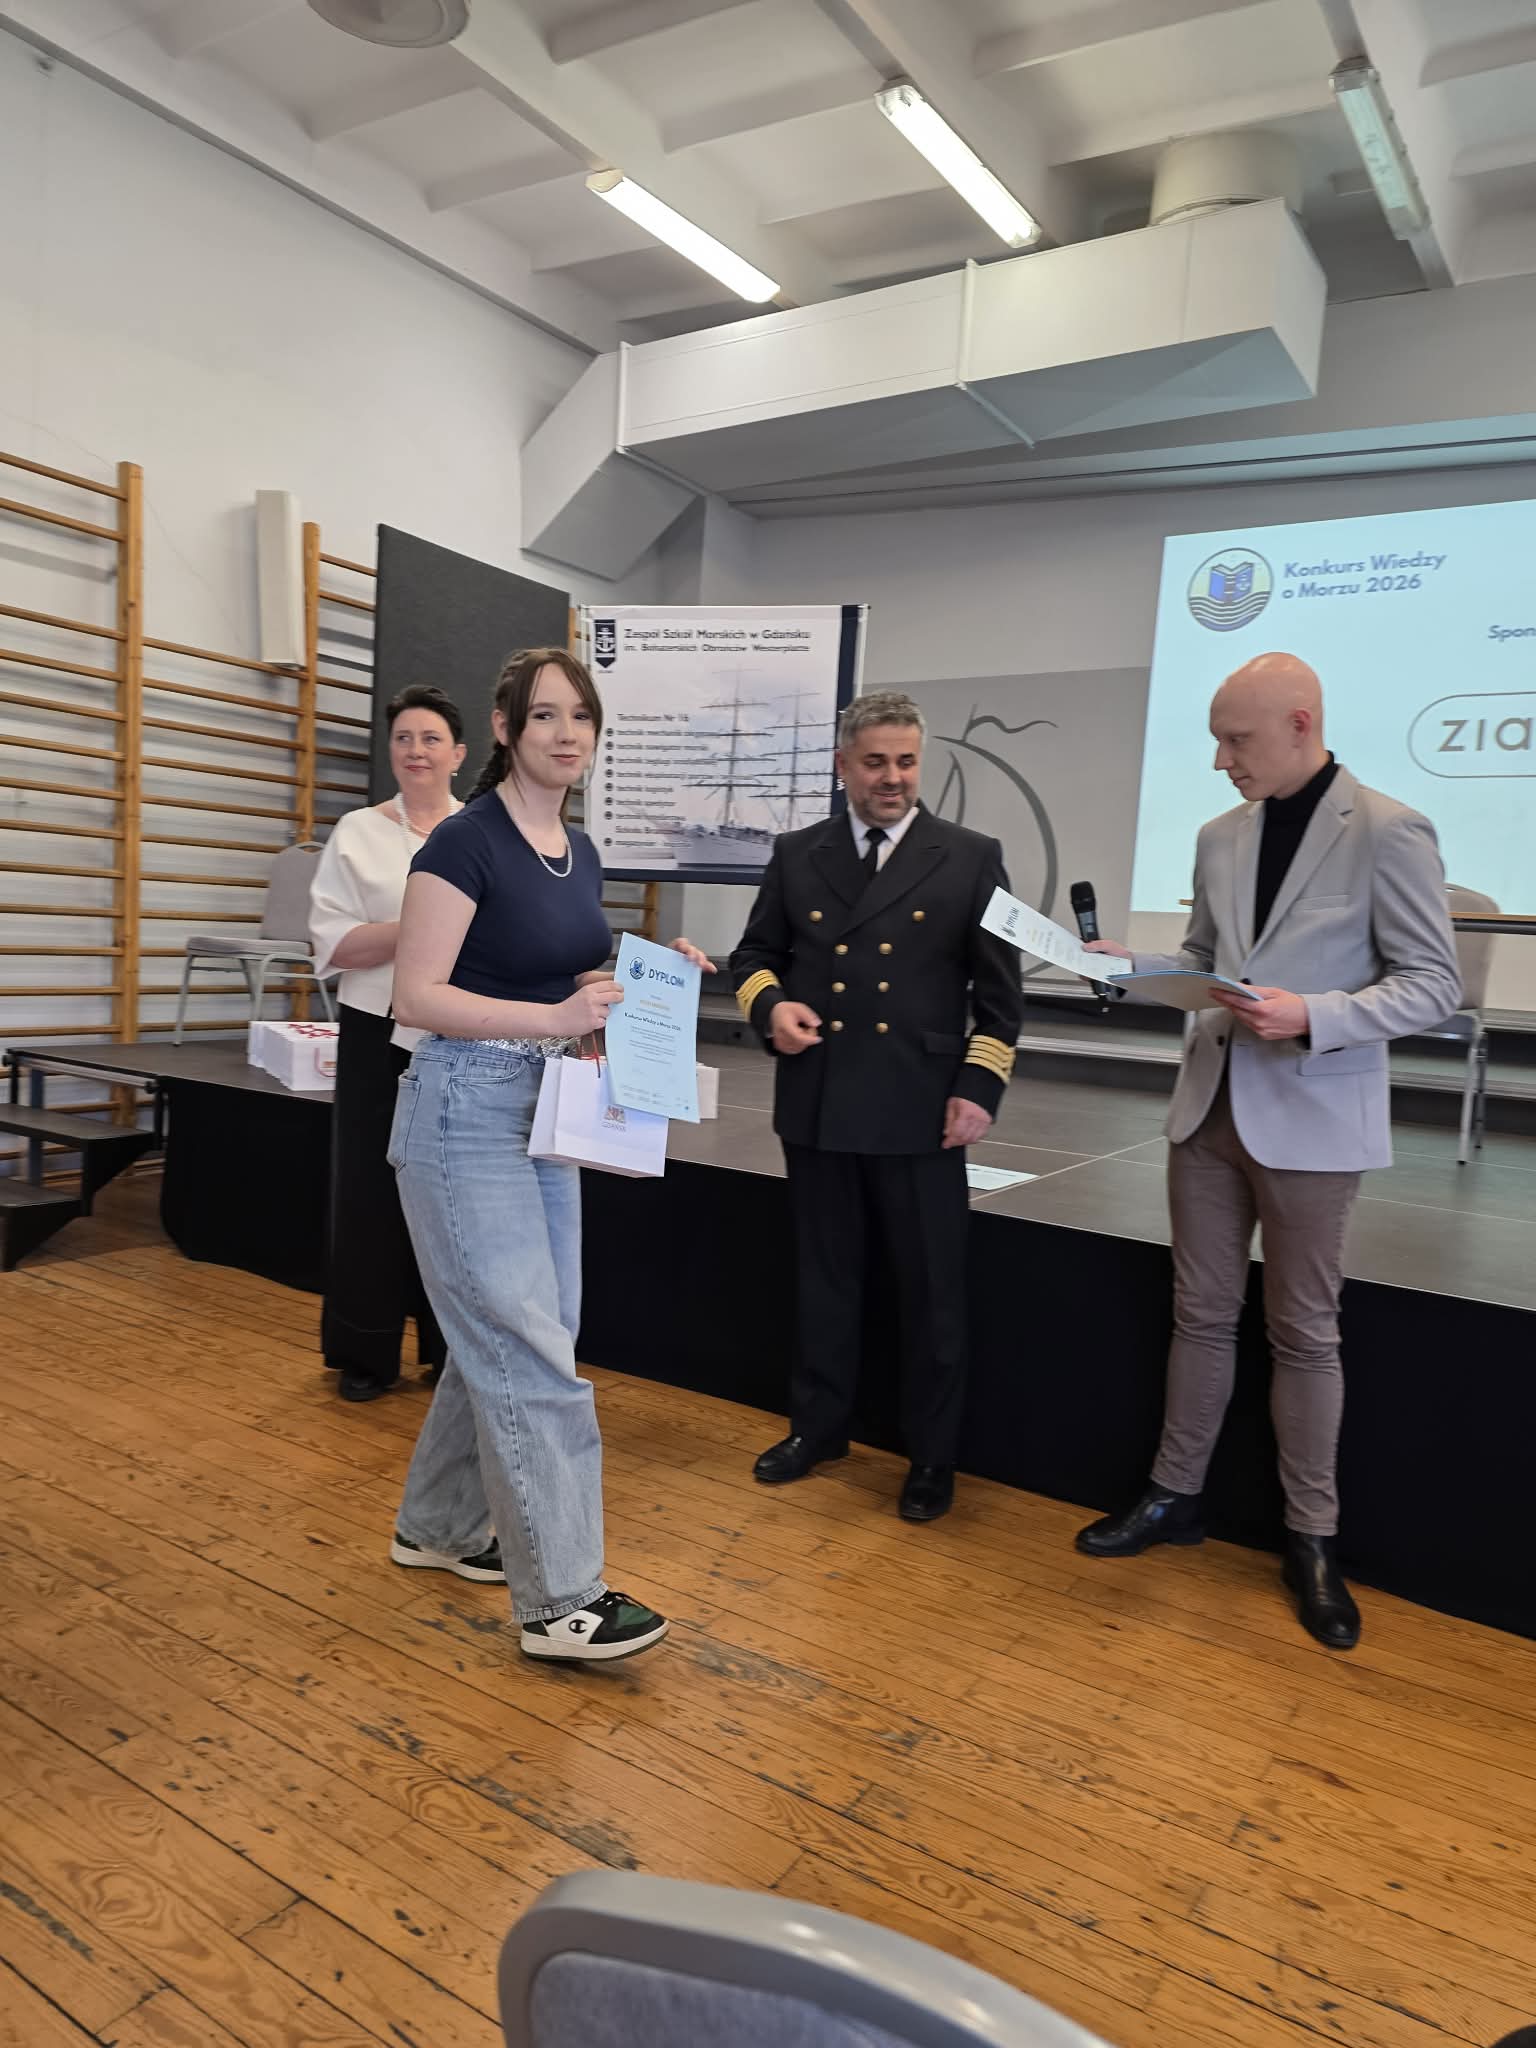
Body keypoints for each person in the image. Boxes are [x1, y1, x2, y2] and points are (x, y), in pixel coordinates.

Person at [1076, 653, 1460, 1650]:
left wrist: (1314, 1015)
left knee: (1304, 1333)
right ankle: (1174, 1494)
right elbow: (1206, 962)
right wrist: (1136, 966)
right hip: (1208, 1109)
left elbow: (1432, 982)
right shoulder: (1220, 834)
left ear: (1300, 723)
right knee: (1199, 1315)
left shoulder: (1389, 829)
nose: (1220, 760)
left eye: (1236, 739)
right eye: (1215, 740)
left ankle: (1312, 1536)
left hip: (1313, 1118)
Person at [387, 646, 712, 1663]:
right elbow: (416, 995)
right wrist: (558, 1015)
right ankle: (564, 1601)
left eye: (582, 716)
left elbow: (561, 972)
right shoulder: (463, 843)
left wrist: (645, 978)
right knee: (528, 1348)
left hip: (545, 1104)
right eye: (544, 716)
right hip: (461, 1106)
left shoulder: (578, 847)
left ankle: (437, 1526)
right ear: (504, 728)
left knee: (526, 1330)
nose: (567, 734)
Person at [730, 689, 1024, 1522]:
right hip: (820, 1098)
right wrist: (770, 1008)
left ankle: (932, 1455)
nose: (892, 778)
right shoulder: (798, 854)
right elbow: (753, 956)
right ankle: (819, 1428)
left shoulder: (970, 856)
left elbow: (1001, 1001)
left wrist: (979, 1088)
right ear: (843, 765)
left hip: (921, 1108)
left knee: (931, 1293)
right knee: (825, 1281)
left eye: (905, 761)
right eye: (874, 762)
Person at [308, 684, 465, 1403]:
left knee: (452, 1192)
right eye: (404, 738)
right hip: (374, 1028)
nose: (416, 751)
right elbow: (335, 943)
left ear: (459, 754)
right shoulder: (357, 832)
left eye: (431, 739)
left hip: (459, 1029)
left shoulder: (483, 834)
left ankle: (450, 1350)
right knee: (368, 1190)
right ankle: (365, 1352)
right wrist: (422, 926)